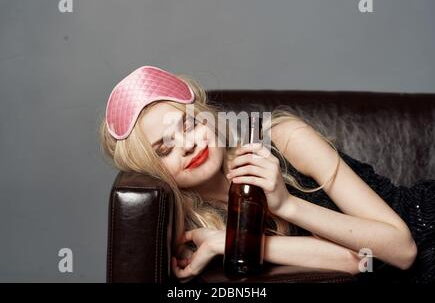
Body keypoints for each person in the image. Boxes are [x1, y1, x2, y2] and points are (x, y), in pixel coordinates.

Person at [99, 65, 434, 283]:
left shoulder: (285, 138)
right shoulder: (193, 229)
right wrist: (225, 242)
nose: (186, 145)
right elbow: (354, 260)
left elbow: (401, 249)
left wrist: (286, 205)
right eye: (164, 149)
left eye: (188, 124)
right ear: (155, 171)